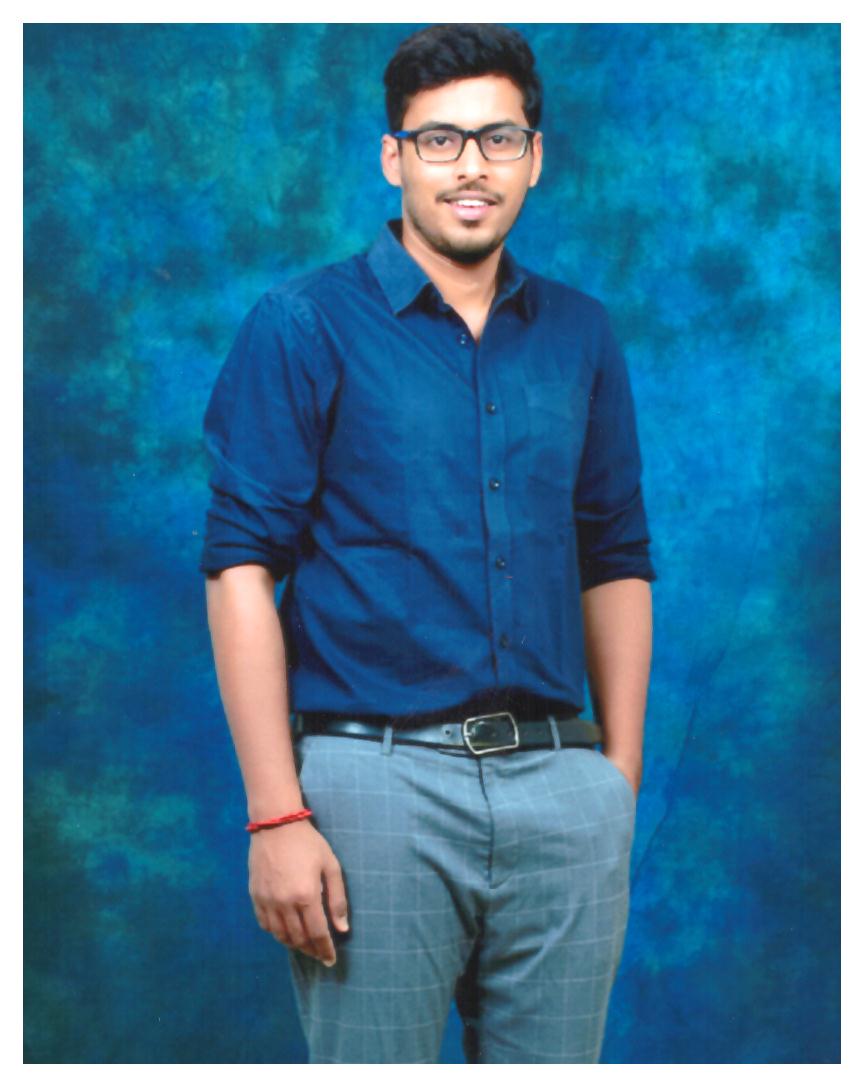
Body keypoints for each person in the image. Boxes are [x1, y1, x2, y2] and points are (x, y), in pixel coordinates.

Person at [200, 23, 656, 1064]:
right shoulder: (303, 324)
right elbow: (240, 567)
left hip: (562, 785)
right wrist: (276, 815)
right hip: (373, 786)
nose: (471, 166)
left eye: (499, 139)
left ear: (535, 157)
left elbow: (615, 555)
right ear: (393, 157)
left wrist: (616, 781)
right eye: (439, 140)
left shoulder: (581, 333)